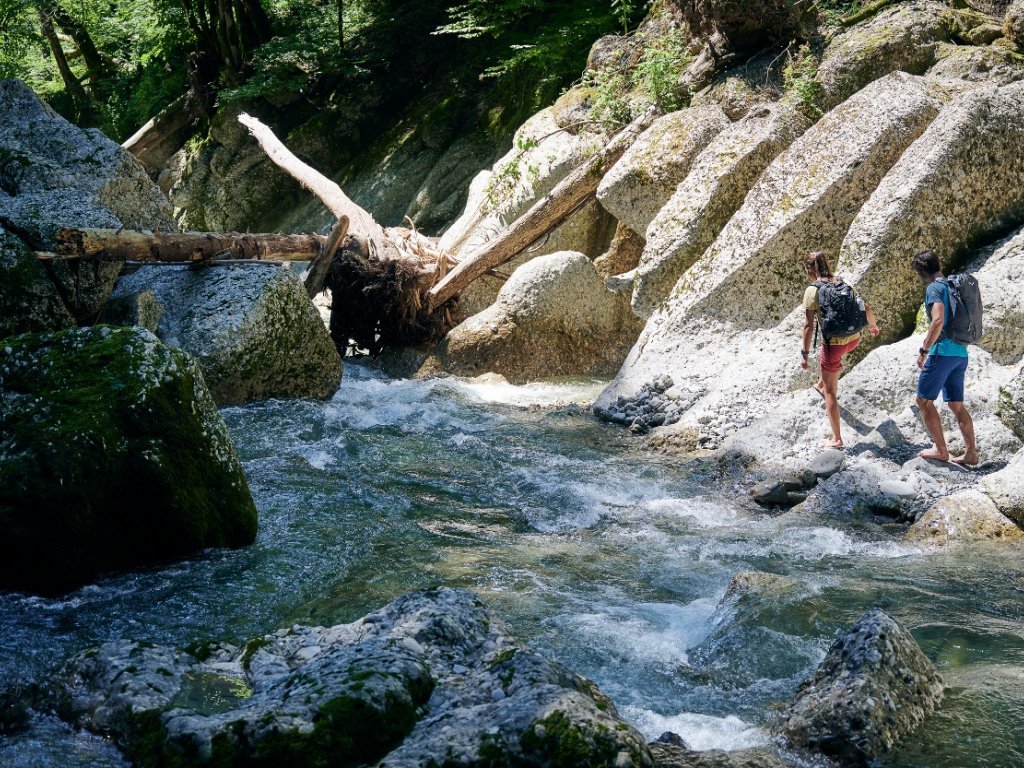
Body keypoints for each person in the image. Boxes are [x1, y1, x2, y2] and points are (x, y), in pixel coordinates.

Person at [800, 251, 879, 448]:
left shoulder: (812, 290)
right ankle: (821, 381)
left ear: (810, 269)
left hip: (834, 345)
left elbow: (808, 326)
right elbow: (865, 306)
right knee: (831, 366)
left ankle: (837, 438)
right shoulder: (843, 282)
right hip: (854, 339)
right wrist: (873, 326)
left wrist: (804, 354)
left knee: (831, 392)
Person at [911, 250, 978, 465]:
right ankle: (971, 453)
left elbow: (937, 320)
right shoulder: (952, 284)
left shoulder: (934, 288)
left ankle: (941, 450)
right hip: (961, 353)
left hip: (942, 354)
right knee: (956, 404)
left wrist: (924, 350)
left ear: (921, 271)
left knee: (923, 400)